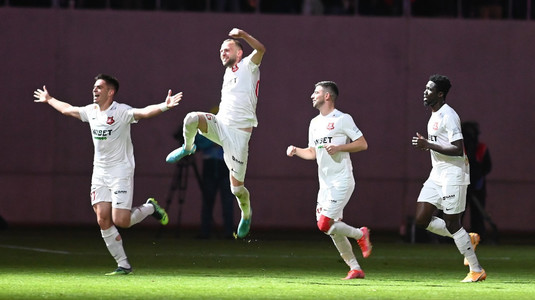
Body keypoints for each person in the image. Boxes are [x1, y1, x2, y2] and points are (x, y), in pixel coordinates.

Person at [33, 74, 183, 275]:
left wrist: (164, 106)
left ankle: (149, 207)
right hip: (100, 172)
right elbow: (68, 110)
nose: (94, 90)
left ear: (110, 92)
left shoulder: (120, 111)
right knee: (102, 219)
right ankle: (124, 265)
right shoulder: (91, 111)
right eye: (94, 87)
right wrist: (49, 99)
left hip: (120, 170)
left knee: (121, 221)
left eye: (99, 88)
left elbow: (144, 113)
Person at [165, 28, 265, 239]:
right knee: (191, 118)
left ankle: (246, 215)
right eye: (220, 50)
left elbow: (261, 49)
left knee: (237, 191)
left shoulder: (249, 65)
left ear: (239, 52)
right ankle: (188, 147)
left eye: (227, 49)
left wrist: (244, 36)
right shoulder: (228, 72)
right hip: (220, 125)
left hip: (238, 136)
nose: (222, 53)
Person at [286, 81, 372, 280]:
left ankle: (361, 234)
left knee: (324, 224)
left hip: (342, 180)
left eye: (316, 92)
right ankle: (355, 268)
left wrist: (340, 148)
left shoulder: (343, 119)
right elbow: (313, 153)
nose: (311, 95)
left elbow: (363, 144)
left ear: (327, 96)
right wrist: (296, 151)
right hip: (324, 185)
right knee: (333, 230)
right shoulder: (314, 123)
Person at [411, 74, 486, 282]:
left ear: (440, 94)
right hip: (437, 174)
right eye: (425, 88)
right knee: (421, 219)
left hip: (454, 173)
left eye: (429, 89)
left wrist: (429, 145)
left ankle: (476, 269)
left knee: (452, 223)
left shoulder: (448, 115)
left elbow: (458, 148)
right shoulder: (433, 116)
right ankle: (467, 237)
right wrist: (429, 145)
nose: (425, 92)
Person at [196, 133, 235, 239]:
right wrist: (213, 141)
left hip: (226, 167)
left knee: (228, 202)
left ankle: (229, 232)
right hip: (210, 168)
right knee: (207, 201)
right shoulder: (204, 128)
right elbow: (198, 143)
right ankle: (205, 232)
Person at [462, 121, 492, 239]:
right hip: (461, 185)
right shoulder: (459, 148)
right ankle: (451, 239)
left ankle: (478, 237)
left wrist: (478, 179)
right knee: (457, 214)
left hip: (477, 186)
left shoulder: (481, 148)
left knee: (477, 215)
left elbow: (487, 166)